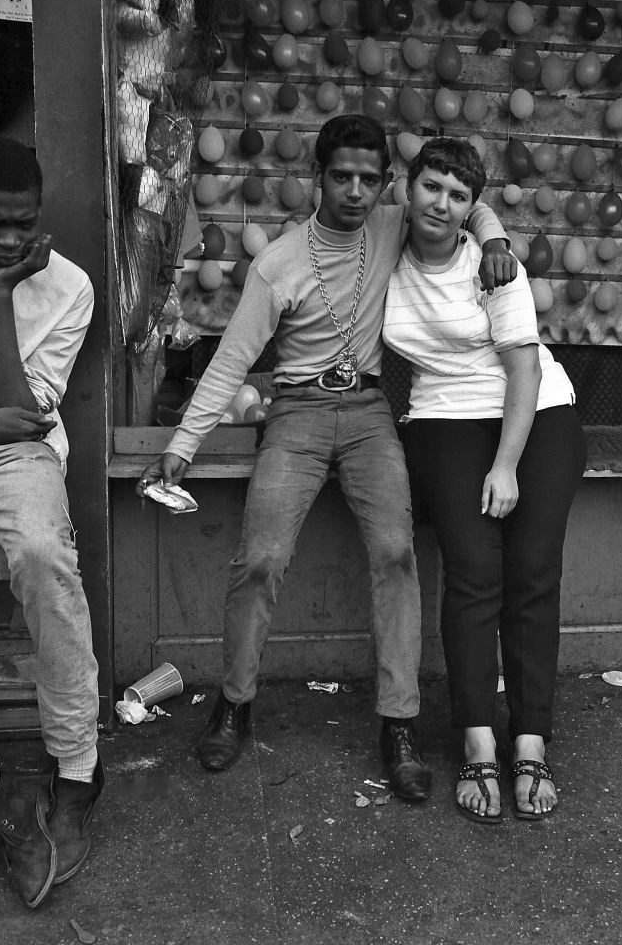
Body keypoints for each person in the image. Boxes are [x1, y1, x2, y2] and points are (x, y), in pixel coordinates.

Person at [136, 115, 516, 800]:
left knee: (396, 554)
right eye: (342, 176)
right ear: (319, 176)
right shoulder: (279, 262)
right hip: (297, 413)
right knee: (260, 557)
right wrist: (181, 445)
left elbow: (470, 200)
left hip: (370, 412)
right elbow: (231, 361)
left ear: (386, 183)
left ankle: (398, 724)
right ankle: (234, 704)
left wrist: (495, 241)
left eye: (369, 179)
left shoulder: (394, 223)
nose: (355, 191)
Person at [382, 138, 587, 822]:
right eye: (431, 186)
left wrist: (505, 464)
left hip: (535, 412)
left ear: (473, 206)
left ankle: (530, 741)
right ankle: (476, 739)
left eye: (459, 195)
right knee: (472, 568)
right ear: (406, 187)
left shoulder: (494, 267)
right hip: (443, 414)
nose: (441, 203)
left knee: (533, 570)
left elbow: (524, 369)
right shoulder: (380, 249)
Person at [0, 136, 103, 906]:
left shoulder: (69, 286)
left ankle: (78, 769)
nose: (10, 239)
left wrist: (3, 293)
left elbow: (21, 411)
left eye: (24, 223)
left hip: (17, 450)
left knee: (43, 554)